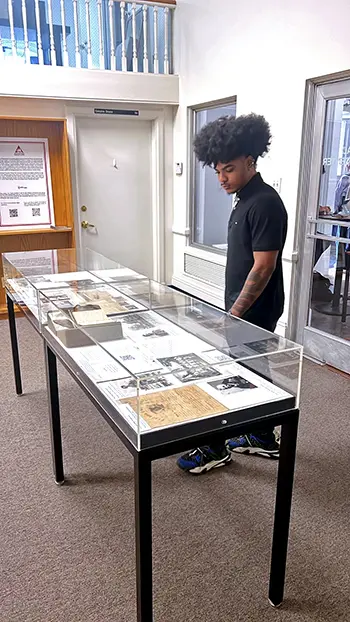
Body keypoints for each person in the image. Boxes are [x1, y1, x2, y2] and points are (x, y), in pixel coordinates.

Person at [177, 113, 288, 475]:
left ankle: (213, 448)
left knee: (233, 373)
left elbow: (264, 267)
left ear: (250, 162)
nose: (222, 178)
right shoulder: (244, 198)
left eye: (228, 169)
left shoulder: (265, 202)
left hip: (254, 308)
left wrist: (234, 313)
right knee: (254, 370)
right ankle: (261, 436)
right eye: (217, 171)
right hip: (244, 307)